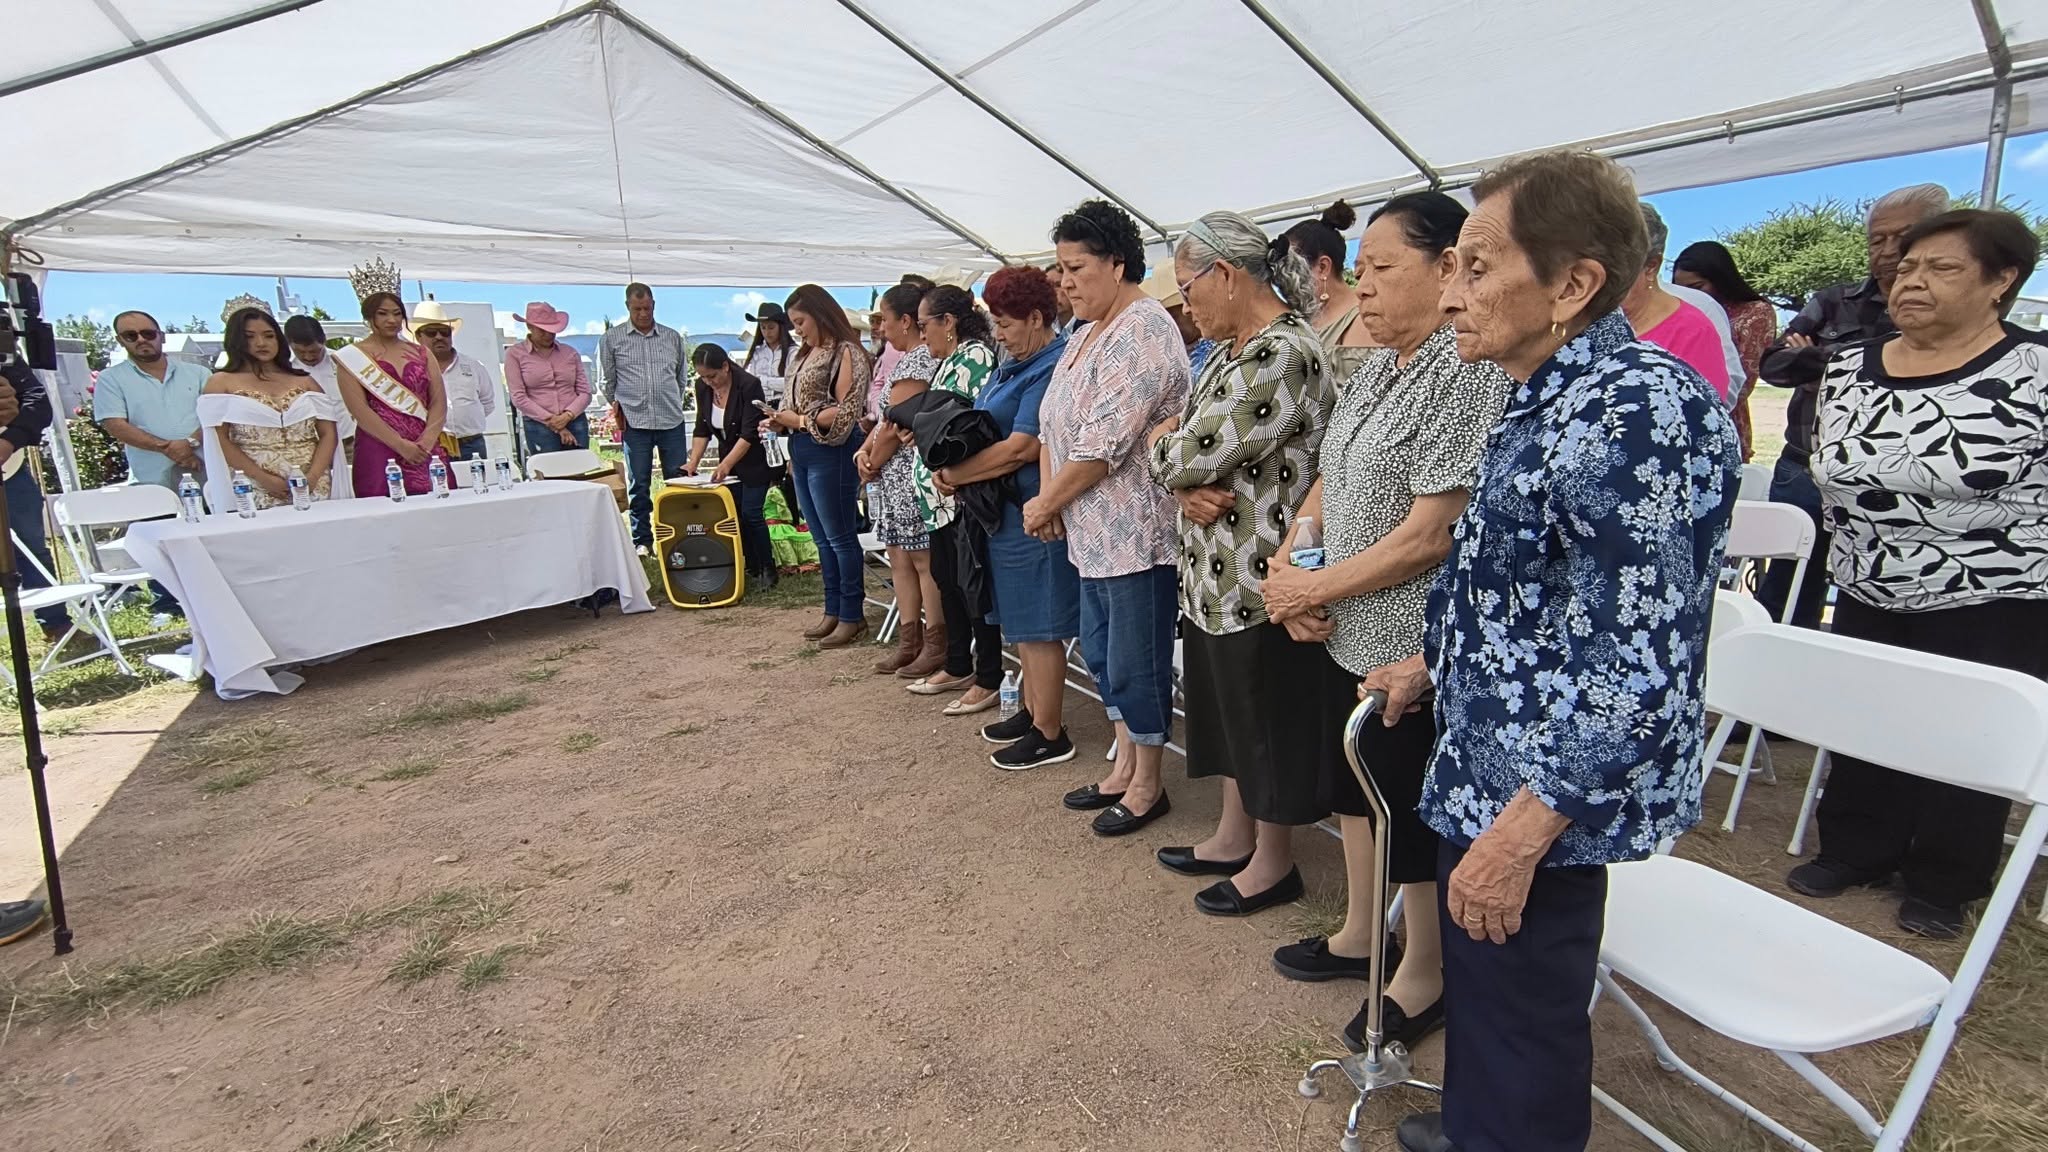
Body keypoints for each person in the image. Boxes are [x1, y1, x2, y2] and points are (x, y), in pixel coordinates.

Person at [1372, 149, 1739, 1152]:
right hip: (1488, 754)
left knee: (1523, 1005)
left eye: (1476, 266)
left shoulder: (1636, 410)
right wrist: (1432, 664)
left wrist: (1521, 832)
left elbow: (1640, 661)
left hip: (1546, 791)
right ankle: (1477, 1125)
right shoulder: (1544, 391)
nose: (1450, 294)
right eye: (1449, 266)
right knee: (1490, 991)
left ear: (1573, 283)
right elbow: (1525, 586)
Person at [1262, 191, 1511, 1057]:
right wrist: (1298, 558)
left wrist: (1308, 585)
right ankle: (1363, 933)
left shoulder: (1465, 368)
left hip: (1408, 640)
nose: (1360, 286)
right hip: (1344, 625)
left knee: (1406, 801)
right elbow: (1332, 474)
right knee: (1358, 791)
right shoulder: (1381, 365)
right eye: (1359, 271)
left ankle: (1425, 971)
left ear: (1448, 269)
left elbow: (1428, 534)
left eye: (1380, 268)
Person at [1787, 209, 2047, 939]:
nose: (1913, 282)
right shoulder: (1850, 366)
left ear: (2002, 281)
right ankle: (1856, 847)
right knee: (1868, 719)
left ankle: (1945, 876)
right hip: (1867, 583)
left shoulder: (2036, 370)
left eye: (1942, 268)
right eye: (1907, 267)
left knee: (1966, 737)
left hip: (1993, 593)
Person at [1145, 211, 1340, 918]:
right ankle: (1234, 835)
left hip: (1263, 577)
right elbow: (1179, 449)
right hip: (1216, 577)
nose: (1185, 304)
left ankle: (1273, 861)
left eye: (1189, 286)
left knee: (1265, 724)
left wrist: (1172, 464)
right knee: (1228, 716)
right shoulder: (1235, 350)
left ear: (1225, 274)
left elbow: (1186, 448)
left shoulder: (1282, 352)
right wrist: (1177, 469)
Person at [1029, 199, 1189, 837]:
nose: (1065, 282)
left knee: (1134, 658)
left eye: (1076, 268)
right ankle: (1124, 764)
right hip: (1087, 532)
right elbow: (1052, 426)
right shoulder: (1082, 331)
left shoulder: (1144, 327)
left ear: (1117, 263)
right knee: (1099, 651)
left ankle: (1149, 783)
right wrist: (1050, 502)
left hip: (1136, 534)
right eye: (1061, 270)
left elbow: (1105, 442)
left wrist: (1047, 502)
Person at [1756, 183, 1949, 628]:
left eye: (1902, 236)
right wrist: (1863, 358)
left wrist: (1820, 357)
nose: (1887, 250)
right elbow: (1774, 367)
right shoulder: (1833, 300)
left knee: (1869, 593)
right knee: (1786, 591)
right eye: (1876, 239)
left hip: (1894, 477)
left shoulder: (1946, 310)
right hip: (1805, 465)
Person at [950, 266, 1080, 769]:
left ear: (1035, 317)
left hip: (1030, 511)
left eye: (1004, 323)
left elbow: (1021, 448)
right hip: (1002, 515)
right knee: (1021, 623)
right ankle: (1032, 712)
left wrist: (958, 474)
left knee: (1040, 623)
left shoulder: (1049, 366)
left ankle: (1050, 731)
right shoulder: (1014, 363)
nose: (997, 333)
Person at [907, 285, 1003, 713]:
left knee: (970, 585)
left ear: (949, 322)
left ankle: (988, 676)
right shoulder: (948, 361)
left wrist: (919, 423)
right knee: (948, 579)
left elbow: (961, 420)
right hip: (937, 497)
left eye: (924, 323)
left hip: (959, 494)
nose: (920, 331)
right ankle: (958, 662)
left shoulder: (976, 356)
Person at [761, 284, 872, 647]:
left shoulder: (848, 352)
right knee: (821, 536)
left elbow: (846, 412)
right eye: (793, 323)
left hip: (832, 450)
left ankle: (851, 615)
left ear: (820, 314)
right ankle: (833, 609)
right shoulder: (804, 354)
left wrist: (797, 421)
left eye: (800, 321)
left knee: (839, 537)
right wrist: (782, 421)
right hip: (803, 449)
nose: (797, 329)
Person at [855, 280, 944, 678]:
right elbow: (884, 422)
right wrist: (867, 452)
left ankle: (934, 640)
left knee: (922, 561)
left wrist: (871, 458)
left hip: (909, 474)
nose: (880, 328)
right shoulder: (905, 359)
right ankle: (910, 641)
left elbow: (895, 423)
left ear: (905, 321)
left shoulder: (920, 360)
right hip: (893, 476)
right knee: (899, 559)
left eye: (884, 319)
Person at [94, 309, 204, 619]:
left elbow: (213, 413)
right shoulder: (112, 379)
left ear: (161, 336)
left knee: (208, 528)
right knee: (159, 538)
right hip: (150, 473)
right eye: (131, 335)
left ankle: (212, 593)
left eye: (148, 333)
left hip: (202, 467)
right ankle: (168, 605)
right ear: (121, 341)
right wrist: (168, 447)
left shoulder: (197, 374)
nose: (141, 339)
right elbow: (114, 423)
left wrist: (191, 443)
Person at [199, 308, 339, 510]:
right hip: (254, 482)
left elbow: (328, 432)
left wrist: (314, 476)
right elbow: (217, 439)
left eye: (268, 336)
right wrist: (262, 478)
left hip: (312, 481)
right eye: (249, 336)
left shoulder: (305, 381)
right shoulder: (221, 383)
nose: (261, 343)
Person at [601, 283, 691, 553]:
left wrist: (671, 398)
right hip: (635, 422)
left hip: (670, 419)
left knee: (677, 479)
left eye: (647, 308)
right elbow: (607, 380)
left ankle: (679, 534)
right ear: (628, 306)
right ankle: (642, 540)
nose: (643, 314)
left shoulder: (671, 337)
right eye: (638, 309)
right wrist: (617, 407)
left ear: (654, 305)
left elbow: (681, 376)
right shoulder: (612, 339)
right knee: (638, 483)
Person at [333, 292, 449, 498]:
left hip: (424, 444)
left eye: (397, 314)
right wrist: (399, 444)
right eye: (383, 314)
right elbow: (359, 410)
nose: (392, 320)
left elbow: (438, 401)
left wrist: (427, 440)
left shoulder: (422, 353)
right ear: (369, 317)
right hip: (379, 444)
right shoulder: (352, 357)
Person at [685, 343, 781, 591]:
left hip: (754, 458)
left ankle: (768, 568)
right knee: (734, 515)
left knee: (752, 513)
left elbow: (750, 432)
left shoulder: (748, 385)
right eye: (703, 377)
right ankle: (749, 565)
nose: (709, 382)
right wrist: (693, 462)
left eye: (713, 375)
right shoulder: (702, 388)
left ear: (725, 367)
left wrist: (726, 465)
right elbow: (702, 427)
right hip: (729, 457)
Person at [1673, 239, 1779, 460]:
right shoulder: (1677, 314)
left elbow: (1743, 381)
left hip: (1723, 418)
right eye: (1679, 289)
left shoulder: (1754, 313)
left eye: (1696, 288)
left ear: (1720, 279)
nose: (1688, 297)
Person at [1621, 204, 1731, 401]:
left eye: (1616, 266)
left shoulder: (1693, 331)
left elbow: (1704, 418)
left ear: (1651, 267)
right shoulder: (1584, 320)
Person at [1, 331, 70, 642]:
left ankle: (57, 625)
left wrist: (8, 441)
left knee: (31, 548)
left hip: (9, 468)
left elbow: (37, 400)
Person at [1285, 200, 1379, 384]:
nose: (1285, 280)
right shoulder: (1303, 320)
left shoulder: (1365, 321)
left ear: (1322, 267)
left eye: (1292, 269)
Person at [409, 301, 496, 460]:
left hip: (472, 443)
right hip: (431, 446)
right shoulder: (412, 371)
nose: (439, 337)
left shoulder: (474, 366)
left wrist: (468, 420)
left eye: (444, 331)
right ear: (418, 336)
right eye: (431, 332)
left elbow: (487, 402)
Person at [504, 301, 591, 455]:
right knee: (547, 470)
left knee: (579, 469)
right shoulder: (515, 354)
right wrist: (553, 422)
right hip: (538, 423)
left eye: (552, 330)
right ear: (529, 327)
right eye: (542, 330)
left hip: (574, 420)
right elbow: (518, 396)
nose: (548, 334)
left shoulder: (570, 353)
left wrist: (567, 415)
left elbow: (585, 392)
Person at [285, 315, 357, 487]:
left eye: (315, 351)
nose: (309, 357)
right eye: (301, 352)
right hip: (309, 447)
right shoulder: (285, 370)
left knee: (354, 488)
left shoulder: (343, 362)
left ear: (323, 340)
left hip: (349, 442)